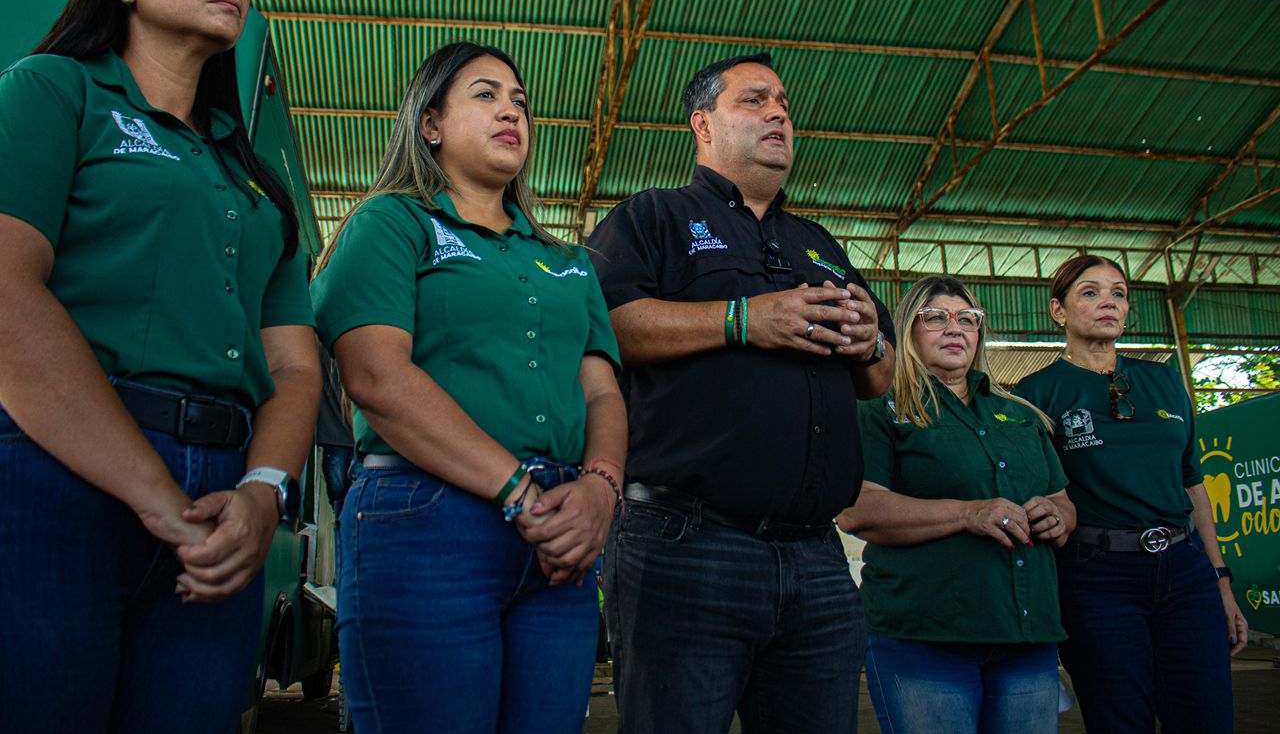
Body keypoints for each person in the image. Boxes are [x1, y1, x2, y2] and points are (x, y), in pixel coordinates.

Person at [0, 0, 321, 734]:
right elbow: (7, 291)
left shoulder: (259, 185)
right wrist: (153, 491)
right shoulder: (53, 90)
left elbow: (294, 365)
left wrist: (262, 492)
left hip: (222, 506)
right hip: (54, 476)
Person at [311, 41, 626, 734]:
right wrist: (518, 491)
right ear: (430, 124)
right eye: (486, 95)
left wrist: (600, 489)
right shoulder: (391, 223)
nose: (511, 111)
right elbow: (377, 377)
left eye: (520, 102)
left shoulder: (570, 262)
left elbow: (603, 393)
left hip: (559, 535)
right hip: (429, 517)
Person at [586, 51, 896, 733]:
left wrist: (871, 342)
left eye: (783, 103)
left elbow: (881, 378)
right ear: (703, 124)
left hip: (816, 559)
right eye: (754, 100)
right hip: (687, 544)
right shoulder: (652, 217)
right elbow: (603, 325)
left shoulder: (819, 244)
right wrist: (742, 319)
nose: (778, 113)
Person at [1014, 255, 1247, 734]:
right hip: (1096, 578)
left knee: (1207, 717)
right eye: (1091, 292)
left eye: (1118, 293)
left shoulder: (1164, 380)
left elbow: (1192, 481)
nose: (1109, 302)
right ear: (1058, 311)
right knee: (1120, 721)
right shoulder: (1036, 393)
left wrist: (1219, 578)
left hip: (1185, 571)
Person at [838, 275, 1075, 734]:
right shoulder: (880, 408)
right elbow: (858, 509)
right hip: (926, 638)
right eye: (935, 318)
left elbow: (1063, 501)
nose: (955, 328)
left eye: (968, 319)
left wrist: (1058, 517)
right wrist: (969, 514)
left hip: (1027, 638)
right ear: (907, 329)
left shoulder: (1022, 414)